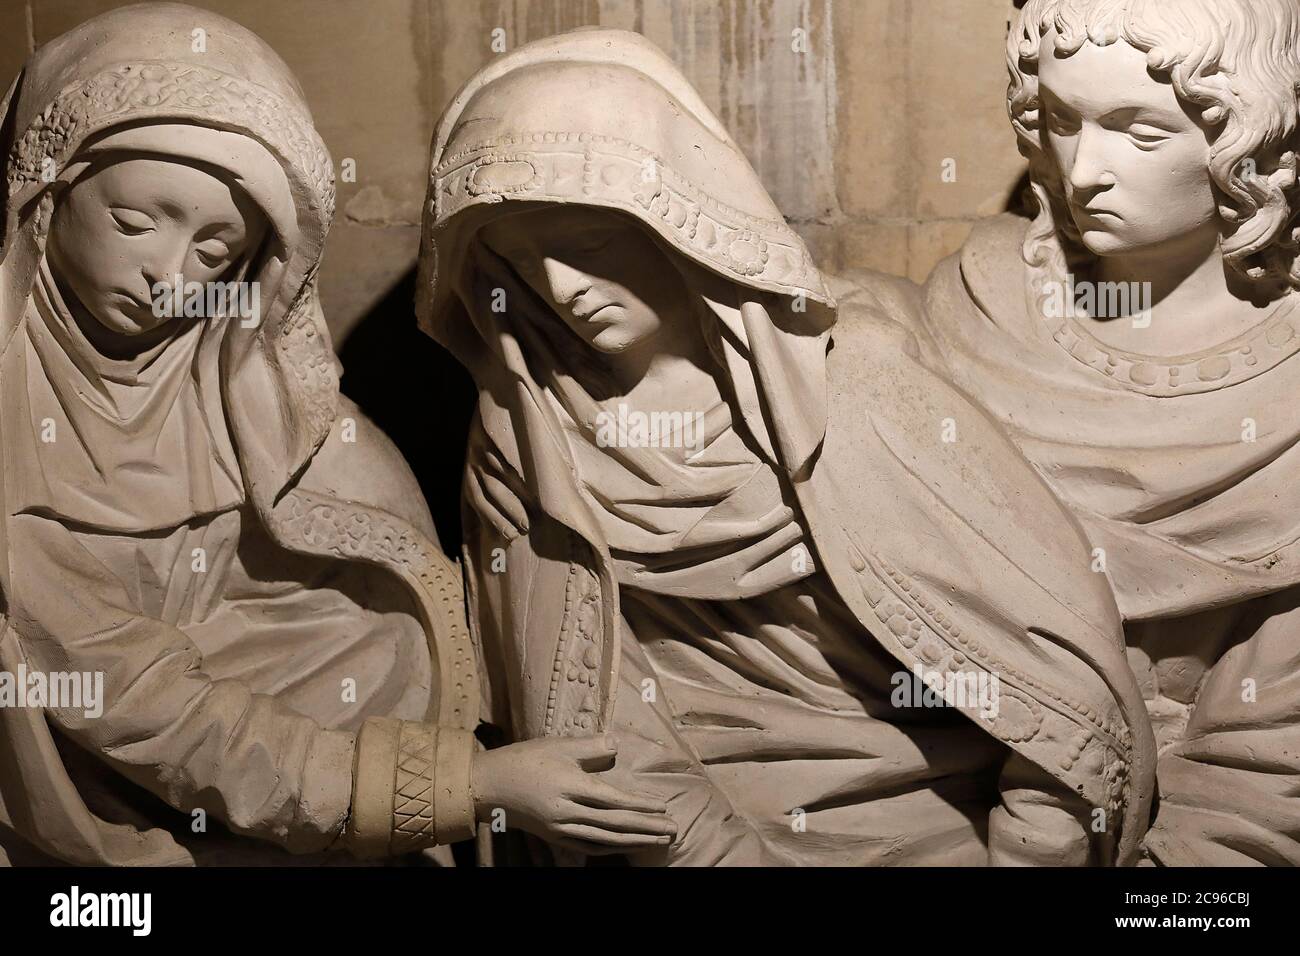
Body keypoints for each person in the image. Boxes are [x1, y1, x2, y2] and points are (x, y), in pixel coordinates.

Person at [419, 28, 1155, 866]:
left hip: (932, 834)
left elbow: (1053, 685)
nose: (560, 289)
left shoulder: (853, 385)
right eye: (520, 262)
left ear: (679, 219)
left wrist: (1028, 852)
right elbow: (588, 721)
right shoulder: (525, 444)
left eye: (586, 245)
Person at [0, 4, 671, 866]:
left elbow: (373, 544)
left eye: (213, 253)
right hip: (94, 739)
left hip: (225, 701)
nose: (168, 278)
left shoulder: (231, 371)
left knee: (378, 636)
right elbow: (138, 698)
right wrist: (465, 787)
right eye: (136, 222)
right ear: (47, 199)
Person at [916, 0, 1300, 864]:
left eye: (1141, 133)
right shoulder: (971, 310)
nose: (1084, 169)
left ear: (1249, 144)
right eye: (1059, 120)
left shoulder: (1289, 392)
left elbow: (1270, 771)